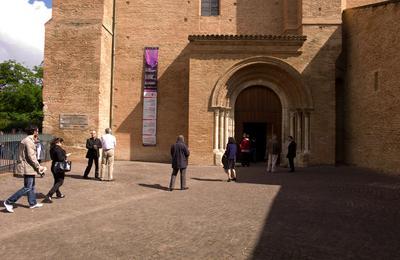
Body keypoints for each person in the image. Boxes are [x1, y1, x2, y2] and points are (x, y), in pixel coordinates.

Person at [3, 125, 46, 213]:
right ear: (34, 131)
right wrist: (39, 166)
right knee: (27, 187)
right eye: (37, 131)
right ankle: (9, 202)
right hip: (28, 166)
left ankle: (32, 203)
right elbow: (31, 156)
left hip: (30, 166)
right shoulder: (28, 141)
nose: (38, 133)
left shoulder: (29, 140)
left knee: (31, 186)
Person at [43, 137, 70, 203]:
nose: (62, 144)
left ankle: (58, 194)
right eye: (61, 142)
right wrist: (66, 156)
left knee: (56, 181)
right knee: (60, 181)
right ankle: (49, 195)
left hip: (54, 166)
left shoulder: (52, 148)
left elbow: (54, 157)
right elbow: (60, 158)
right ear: (58, 142)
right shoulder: (58, 149)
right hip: (59, 167)